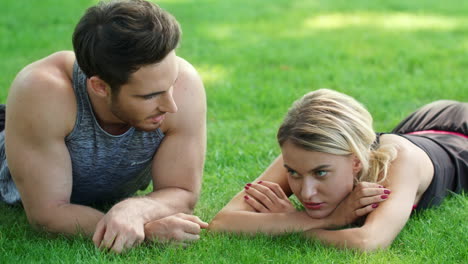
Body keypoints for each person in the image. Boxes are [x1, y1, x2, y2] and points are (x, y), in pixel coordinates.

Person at [0, 0, 207, 253]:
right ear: (99, 87)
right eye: (149, 96)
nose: (172, 105)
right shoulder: (42, 92)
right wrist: (146, 231)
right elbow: (48, 214)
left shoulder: (184, 85)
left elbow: (182, 191)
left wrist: (135, 209)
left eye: (171, 83)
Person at [209, 88, 467, 251]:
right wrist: (329, 220)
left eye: (321, 173)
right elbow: (223, 222)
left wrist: (284, 225)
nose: (306, 192)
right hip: (421, 126)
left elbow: (368, 242)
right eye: (294, 174)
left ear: (355, 161)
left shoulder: (399, 162)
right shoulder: (304, 151)